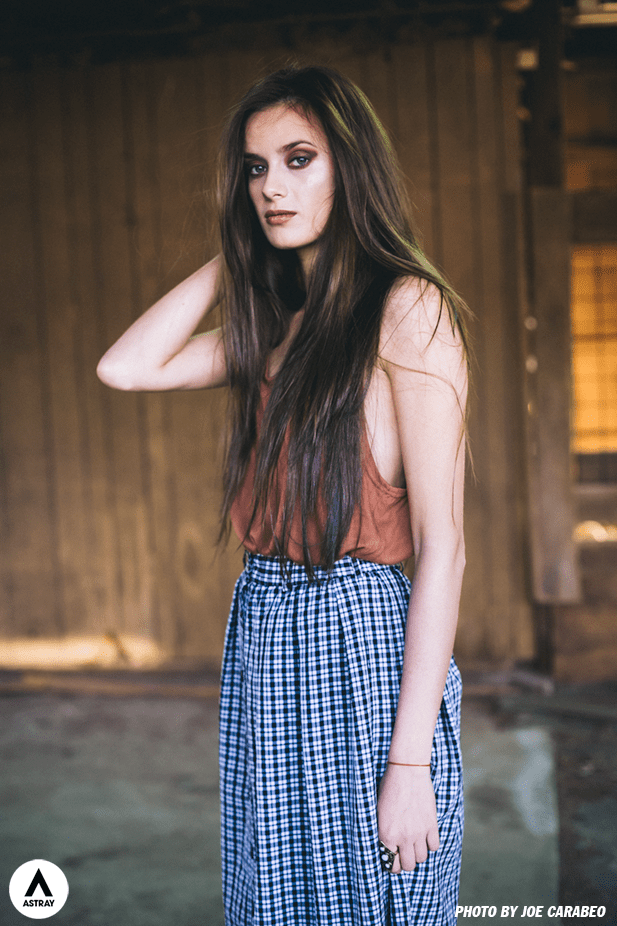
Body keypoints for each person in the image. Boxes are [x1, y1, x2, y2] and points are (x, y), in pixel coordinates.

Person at [97, 64, 469, 926]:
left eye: (299, 160)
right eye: (255, 169)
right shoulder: (276, 327)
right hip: (264, 638)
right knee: (275, 897)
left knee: (374, 898)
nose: (271, 187)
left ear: (351, 167)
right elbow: (126, 367)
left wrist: (408, 765)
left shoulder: (407, 309)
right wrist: (236, 251)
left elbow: (444, 546)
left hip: (357, 638)